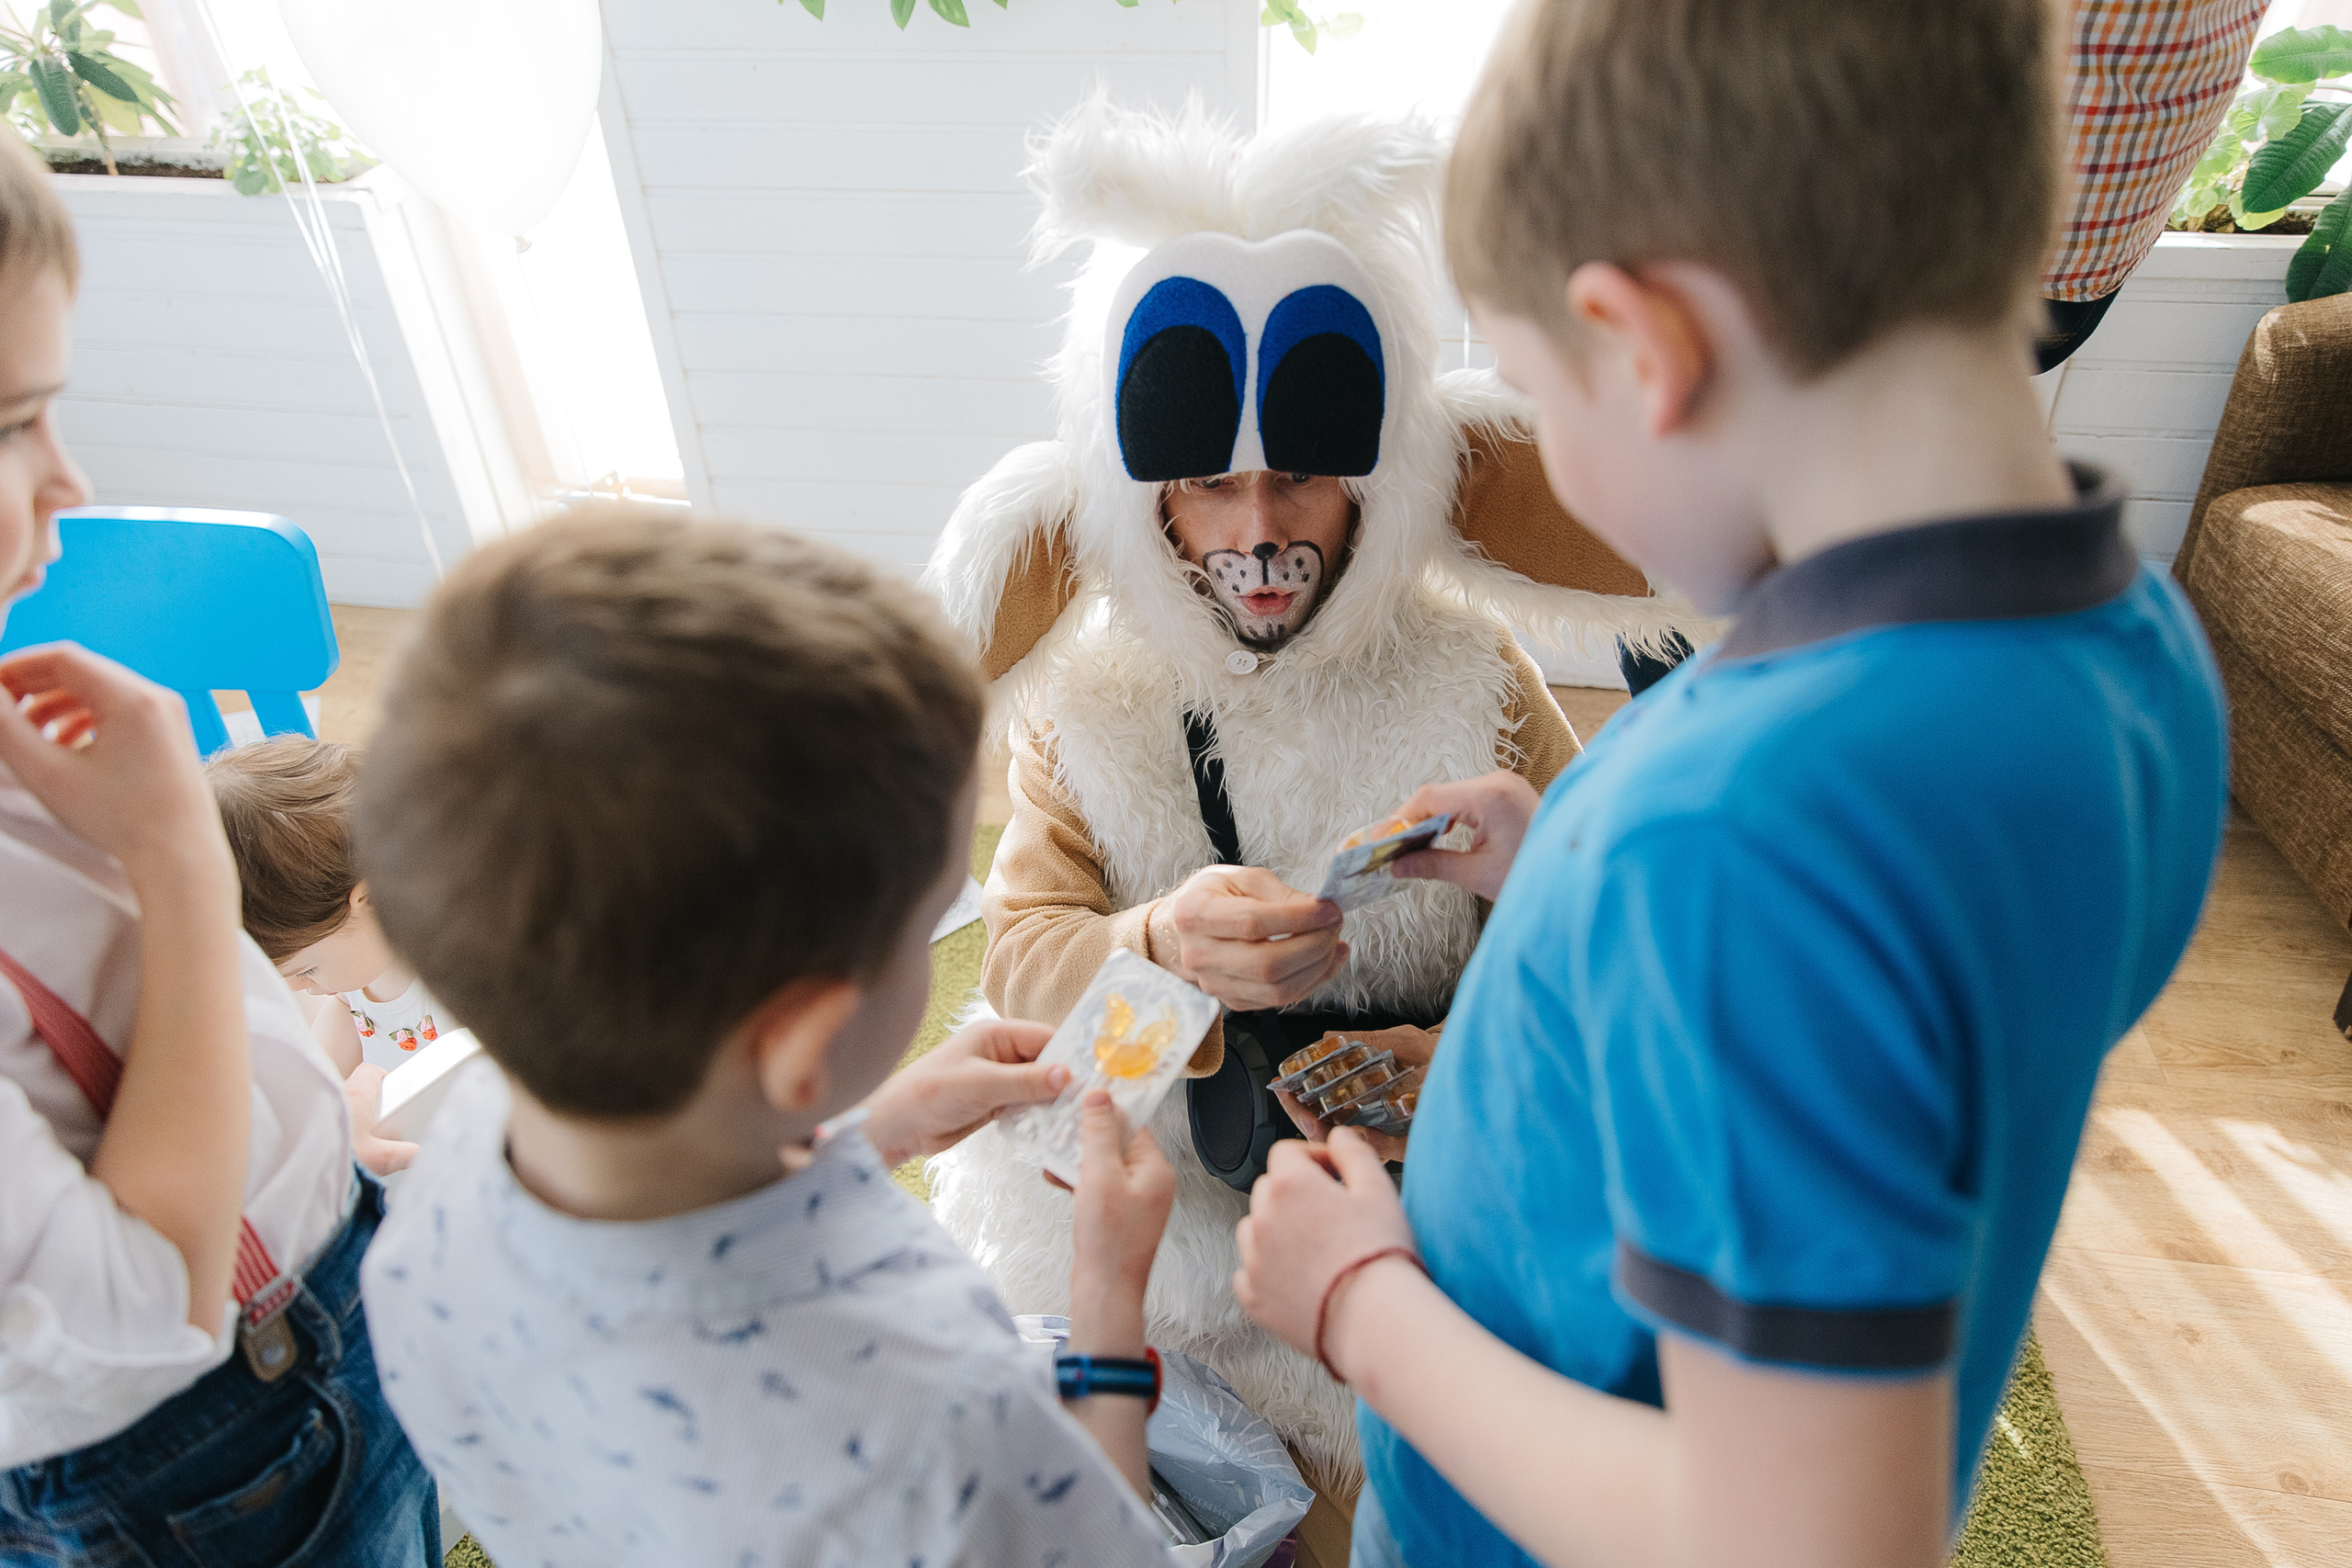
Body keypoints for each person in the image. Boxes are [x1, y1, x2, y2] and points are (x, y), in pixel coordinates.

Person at [1230, 3, 2231, 1566]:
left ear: (1649, 347)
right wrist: (1563, 861)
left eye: (1541, 394)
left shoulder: (1734, 845)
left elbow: (1806, 1540)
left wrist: (1362, 1307)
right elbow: (1918, 998)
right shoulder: (2131, 648)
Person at [918, 96, 1706, 1541]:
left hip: (1399, 1185)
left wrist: (1449, 1057)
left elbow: (1597, 942)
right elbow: (1022, 955)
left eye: (1305, 475)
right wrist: (1157, 938)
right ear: (1133, 497)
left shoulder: (1476, 674)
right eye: (1207, 484)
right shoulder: (1079, 706)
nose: (1256, 526)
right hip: (1153, 1191)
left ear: (1394, 472)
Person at [356, 513, 1189, 1566]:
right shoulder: (936, 1400)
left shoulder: (439, 1187)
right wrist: (1110, 1300)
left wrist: (868, 1130)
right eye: (936, 911)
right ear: (803, 1045)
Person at [0, 136, 436, 1563]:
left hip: (314, 1310)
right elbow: (137, 1299)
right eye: (11, 424)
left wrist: (308, 1117)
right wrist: (179, 855)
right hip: (220, 1449)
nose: (68, 477)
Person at [209, 735, 453, 1175]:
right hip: (389, 1127)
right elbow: (325, 1055)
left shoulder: (451, 970)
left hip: (446, 1136)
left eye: (305, 970)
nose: (300, 987)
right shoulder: (355, 969)